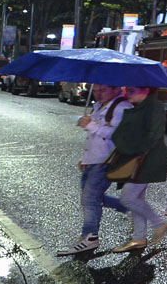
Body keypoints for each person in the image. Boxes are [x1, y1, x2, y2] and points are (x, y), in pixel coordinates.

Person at [55, 84, 132, 255]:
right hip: (94, 160)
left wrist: (91, 125)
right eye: (96, 90)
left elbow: (119, 134)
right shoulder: (99, 106)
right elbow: (94, 138)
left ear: (116, 89)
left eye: (103, 90)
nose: (98, 93)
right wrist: (86, 158)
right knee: (91, 197)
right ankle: (127, 206)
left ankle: (90, 238)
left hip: (106, 161)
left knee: (89, 199)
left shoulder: (122, 107)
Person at [108, 85, 167, 252]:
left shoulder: (154, 107)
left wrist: (130, 148)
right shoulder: (137, 106)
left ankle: (159, 224)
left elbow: (152, 135)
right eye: (126, 90)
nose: (126, 93)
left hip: (146, 160)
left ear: (145, 90)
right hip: (139, 159)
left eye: (132, 90)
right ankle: (139, 238)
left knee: (128, 199)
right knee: (137, 199)